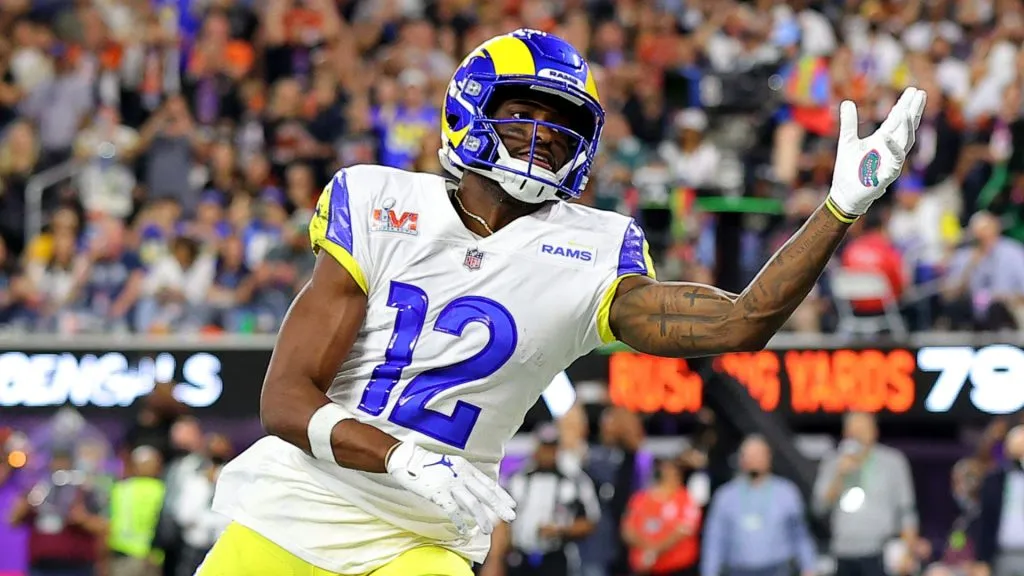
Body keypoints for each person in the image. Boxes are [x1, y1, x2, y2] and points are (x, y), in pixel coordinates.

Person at [203, 28, 927, 576]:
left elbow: (741, 323)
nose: (545, 136)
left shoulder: (592, 249)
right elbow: (284, 400)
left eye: (562, 123)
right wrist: (399, 457)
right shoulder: (379, 200)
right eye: (524, 113)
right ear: (470, 109)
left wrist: (837, 208)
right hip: (296, 505)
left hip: (426, 534)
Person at [812, 413, 926, 576]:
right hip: (843, 551)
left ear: (874, 432)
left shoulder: (893, 462)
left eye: (863, 430)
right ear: (845, 433)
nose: (858, 435)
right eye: (854, 431)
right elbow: (819, 508)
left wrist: (908, 552)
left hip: (880, 552)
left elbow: (907, 510)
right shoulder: (833, 462)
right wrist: (839, 476)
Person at [484, 424, 600, 576]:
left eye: (552, 448)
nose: (547, 453)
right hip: (519, 557)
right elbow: (501, 521)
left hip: (556, 556)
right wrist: (496, 559)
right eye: (544, 447)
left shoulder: (575, 480)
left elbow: (590, 521)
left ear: (558, 449)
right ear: (536, 448)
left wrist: (560, 529)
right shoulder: (517, 479)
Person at [701, 436, 817, 576]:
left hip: (777, 570)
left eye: (757, 454)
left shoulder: (786, 492)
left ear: (768, 457)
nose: (753, 459)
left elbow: (800, 534)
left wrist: (809, 567)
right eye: (748, 455)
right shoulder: (725, 496)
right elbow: (714, 540)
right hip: (738, 571)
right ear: (740, 459)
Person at [622, 458, 702, 576]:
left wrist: (654, 551)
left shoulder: (686, 499)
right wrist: (646, 549)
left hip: (676, 568)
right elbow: (627, 531)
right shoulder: (640, 499)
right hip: (642, 568)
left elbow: (683, 530)